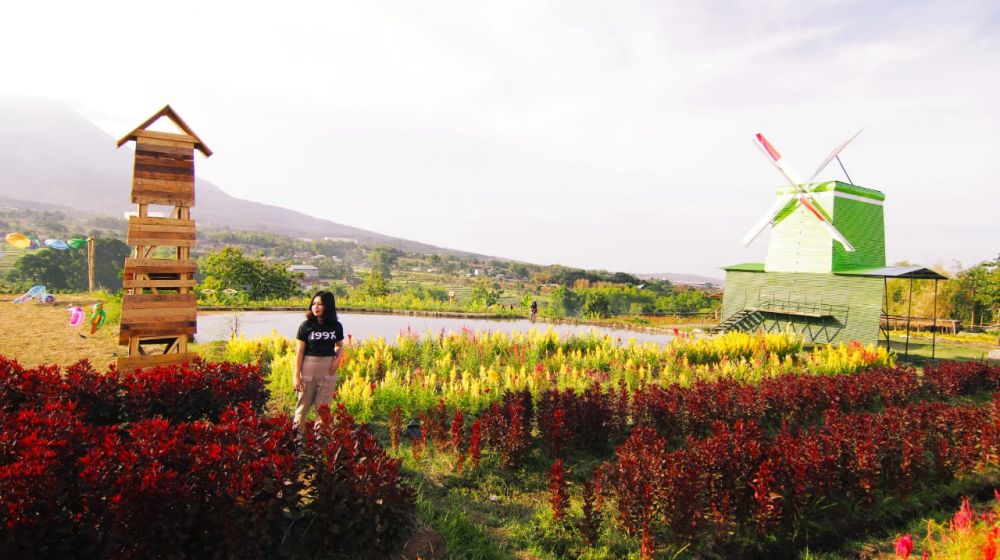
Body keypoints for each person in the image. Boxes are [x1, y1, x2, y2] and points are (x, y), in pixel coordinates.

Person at [293, 290, 346, 434]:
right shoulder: (306, 326)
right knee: (302, 407)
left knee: (323, 410)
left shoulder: (336, 326)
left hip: (328, 370)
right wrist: (296, 376)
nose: (315, 307)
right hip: (308, 368)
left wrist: (338, 359)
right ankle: (296, 440)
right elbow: (299, 352)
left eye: (320, 304)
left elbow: (340, 346)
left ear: (328, 306)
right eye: (314, 304)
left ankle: (319, 441)